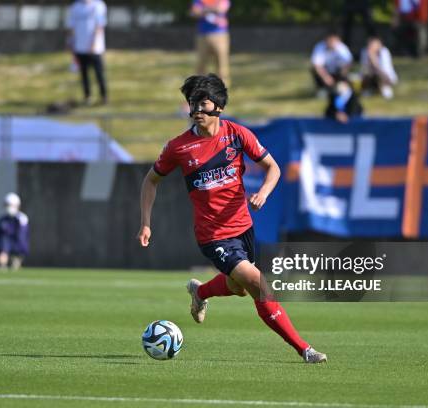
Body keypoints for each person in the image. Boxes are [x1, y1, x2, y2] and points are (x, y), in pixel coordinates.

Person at [137, 74, 327, 364]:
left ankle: (200, 291)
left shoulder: (237, 135)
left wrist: (263, 191)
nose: (196, 110)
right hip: (212, 235)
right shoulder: (179, 147)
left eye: (203, 103)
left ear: (219, 107)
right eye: (192, 104)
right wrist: (146, 222)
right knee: (259, 284)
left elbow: (273, 168)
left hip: (244, 227)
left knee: (239, 288)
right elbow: (151, 181)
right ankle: (305, 349)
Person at [67, 0, 108, 105]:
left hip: (95, 49)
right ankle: (87, 96)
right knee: (84, 74)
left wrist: (93, 44)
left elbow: (99, 25)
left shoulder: (98, 5)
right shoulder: (75, 7)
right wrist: (71, 43)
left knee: (99, 73)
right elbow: (72, 26)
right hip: (80, 48)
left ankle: (104, 96)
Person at [191, 0, 231, 86]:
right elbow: (195, 12)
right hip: (203, 35)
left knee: (221, 63)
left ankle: (222, 89)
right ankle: (199, 88)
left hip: (220, 35)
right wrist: (213, 9)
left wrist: (204, 10)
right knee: (201, 64)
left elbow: (221, 9)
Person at [310, 33, 353, 97]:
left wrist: (343, 74)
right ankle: (322, 89)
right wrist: (325, 77)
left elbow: (348, 62)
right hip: (326, 70)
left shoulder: (342, 48)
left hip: (338, 71)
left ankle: (342, 87)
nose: (331, 43)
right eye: (329, 41)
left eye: (333, 41)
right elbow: (317, 65)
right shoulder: (320, 47)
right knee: (313, 70)